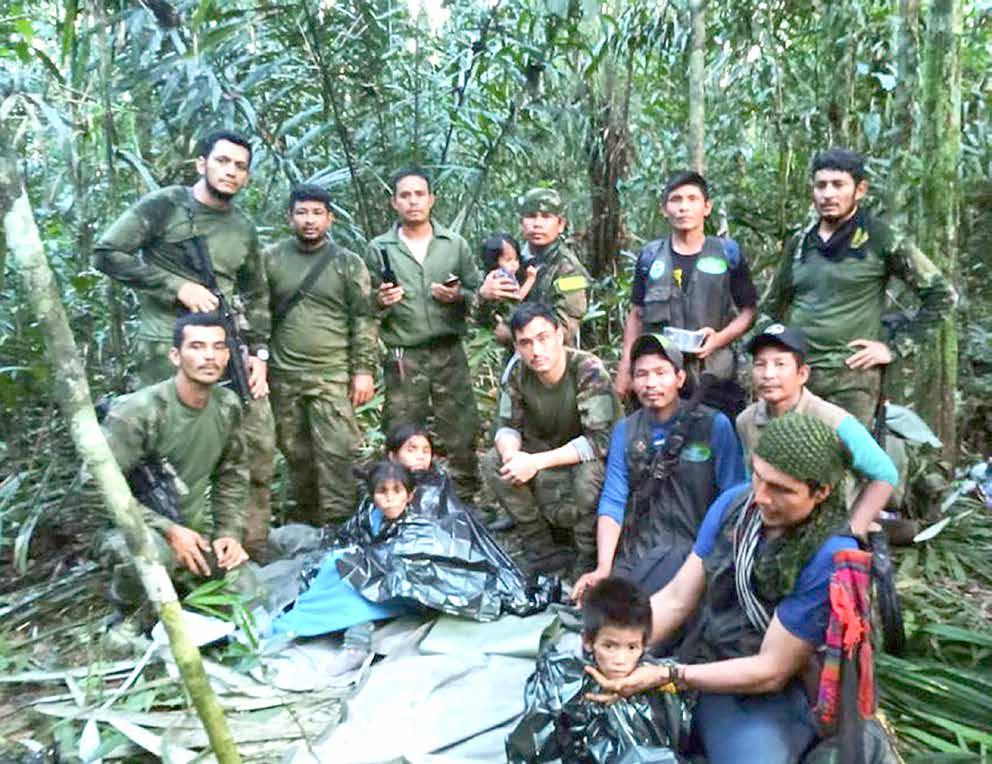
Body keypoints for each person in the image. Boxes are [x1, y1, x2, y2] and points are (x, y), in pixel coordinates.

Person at [586, 413, 861, 764]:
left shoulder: (829, 556)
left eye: (780, 489)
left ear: (820, 492)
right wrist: (615, 647)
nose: (760, 497)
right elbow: (677, 598)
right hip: (707, 653)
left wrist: (668, 675)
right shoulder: (734, 505)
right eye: (758, 477)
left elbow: (772, 670)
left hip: (765, 688)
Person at [94, 129, 276, 556]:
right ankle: (163, 547)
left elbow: (257, 293)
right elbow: (107, 253)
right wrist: (176, 287)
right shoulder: (166, 207)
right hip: (166, 348)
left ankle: (245, 546)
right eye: (222, 161)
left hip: (225, 347)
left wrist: (259, 353)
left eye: (240, 167)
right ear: (201, 164)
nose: (230, 172)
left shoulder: (242, 228)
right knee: (164, 452)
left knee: (254, 442)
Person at [765, 148, 955, 427]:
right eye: (821, 185)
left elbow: (942, 296)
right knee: (787, 451)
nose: (828, 194)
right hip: (797, 377)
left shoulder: (880, 238)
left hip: (851, 380)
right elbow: (771, 307)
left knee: (846, 453)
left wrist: (894, 348)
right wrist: (769, 357)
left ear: (860, 189)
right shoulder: (800, 243)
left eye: (838, 185)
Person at [573, 333, 745, 601]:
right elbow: (613, 500)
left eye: (661, 373)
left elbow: (734, 496)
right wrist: (603, 567)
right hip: (639, 550)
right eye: (641, 374)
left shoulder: (714, 425)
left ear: (680, 378)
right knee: (605, 607)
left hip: (696, 552)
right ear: (632, 381)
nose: (651, 383)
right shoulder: (626, 431)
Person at [100, 314, 250, 607]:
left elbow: (232, 473)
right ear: (175, 355)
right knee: (151, 557)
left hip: (192, 530)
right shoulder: (138, 412)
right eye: (197, 346)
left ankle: (184, 588)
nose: (209, 356)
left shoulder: (227, 405)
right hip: (131, 527)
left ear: (227, 355)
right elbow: (95, 489)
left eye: (218, 347)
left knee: (248, 592)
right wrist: (167, 530)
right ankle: (129, 617)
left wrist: (228, 533)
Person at [363, 167, 482, 499]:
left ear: (432, 199)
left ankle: (463, 498)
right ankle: (403, 497)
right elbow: (363, 303)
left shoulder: (453, 245)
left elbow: (478, 294)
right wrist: (380, 300)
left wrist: (457, 296)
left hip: (448, 349)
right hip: (404, 354)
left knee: (460, 424)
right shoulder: (379, 248)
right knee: (402, 426)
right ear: (394, 202)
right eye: (405, 195)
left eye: (419, 194)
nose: (413, 201)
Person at [481, 302, 622, 577]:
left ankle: (588, 555)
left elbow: (600, 440)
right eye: (525, 343)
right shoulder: (518, 372)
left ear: (559, 335)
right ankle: (541, 547)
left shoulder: (587, 369)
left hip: (588, 457)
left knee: (589, 475)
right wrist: (512, 458)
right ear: (517, 346)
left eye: (543, 338)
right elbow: (507, 426)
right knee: (493, 462)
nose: (536, 350)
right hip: (544, 451)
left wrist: (535, 462)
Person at [264, 184, 377, 527]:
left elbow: (364, 318)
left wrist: (364, 370)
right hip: (284, 374)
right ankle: (305, 525)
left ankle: (341, 526)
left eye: (317, 213)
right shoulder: (270, 259)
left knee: (338, 454)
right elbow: (256, 314)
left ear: (330, 219)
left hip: (332, 374)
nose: (309, 220)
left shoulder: (347, 263)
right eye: (302, 212)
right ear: (290, 217)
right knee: (296, 454)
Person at [615, 171, 758, 416]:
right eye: (676, 200)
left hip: (712, 377)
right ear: (664, 209)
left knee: (715, 434)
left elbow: (749, 311)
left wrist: (718, 339)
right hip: (660, 378)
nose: (683, 207)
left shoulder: (727, 254)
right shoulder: (651, 257)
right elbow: (637, 314)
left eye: (692, 199)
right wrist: (626, 366)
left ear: (707, 207)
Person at [737, 323, 898, 535]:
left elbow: (885, 474)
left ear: (802, 374)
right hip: (773, 521)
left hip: (827, 527)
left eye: (780, 364)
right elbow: (752, 479)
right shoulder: (746, 420)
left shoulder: (833, 420)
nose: (768, 374)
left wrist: (854, 529)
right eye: (760, 365)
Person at [506, 577, 684, 762]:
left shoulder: (656, 680)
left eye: (632, 647)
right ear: (588, 642)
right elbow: (533, 743)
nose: (620, 660)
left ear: (644, 645)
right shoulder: (565, 683)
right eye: (609, 646)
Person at [479, 188, 591, 346]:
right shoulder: (509, 258)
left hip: (550, 357)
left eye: (546, 217)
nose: (537, 224)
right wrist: (484, 296)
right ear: (521, 223)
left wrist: (511, 334)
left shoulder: (569, 270)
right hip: (510, 356)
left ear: (560, 224)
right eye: (531, 216)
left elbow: (564, 330)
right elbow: (479, 319)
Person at [478, 232, 538, 345]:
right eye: (508, 260)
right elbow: (518, 297)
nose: (514, 264)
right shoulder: (502, 277)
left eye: (516, 259)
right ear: (495, 261)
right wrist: (531, 279)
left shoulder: (493, 276)